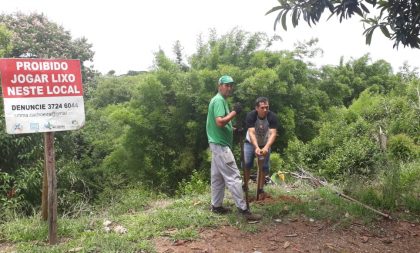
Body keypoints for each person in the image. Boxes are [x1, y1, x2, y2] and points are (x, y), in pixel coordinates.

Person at [206, 75, 261, 221]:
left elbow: (223, 124)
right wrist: (234, 112)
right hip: (221, 146)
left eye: (231, 85)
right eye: (226, 85)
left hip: (217, 143)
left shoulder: (220, 100)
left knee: (217, 177)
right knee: (234, 177)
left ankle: (216, 206)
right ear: (220, 86)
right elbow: (219, 122)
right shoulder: (218, 100)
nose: (229, 88)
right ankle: (243, 210)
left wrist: (234, 129)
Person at [243, 97, 278, 198]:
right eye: (262, 108)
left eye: (267, 107)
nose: (265, 110)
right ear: (257, 108)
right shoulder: (251, 116)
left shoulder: (272, 116)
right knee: (247, 163)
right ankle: (245, 185)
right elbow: (251, 133)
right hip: (250, 143)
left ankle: (260, 189)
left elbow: (273, 134)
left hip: (265, 143)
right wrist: (256, 147)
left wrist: (266, 147)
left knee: (264, 167)